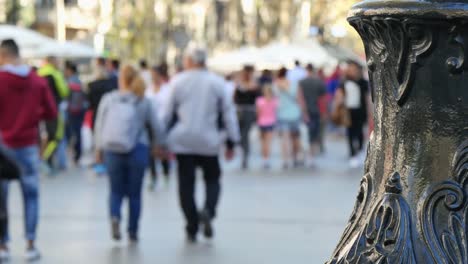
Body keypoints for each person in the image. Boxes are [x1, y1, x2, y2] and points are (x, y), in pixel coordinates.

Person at [165, 46, 240, 242]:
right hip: (209, 141)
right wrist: (232, 141)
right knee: (212, 180)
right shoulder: (217, 83)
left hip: (184, 142)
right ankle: (208, 210)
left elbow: (166, 113)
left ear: (189, 61)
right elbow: (228, 113)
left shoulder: (178, 82)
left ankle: (191, 223)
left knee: (185, 184)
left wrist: (161, 139)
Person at [0, 39, 58, 261]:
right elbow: (52, 112)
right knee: (31, 195)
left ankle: (3, 246)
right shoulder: (37, 81)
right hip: (28, 145)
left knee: (1, 197)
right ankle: (30, 245)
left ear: (3, 55)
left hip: (2, 146)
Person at [95, 65, 166, 242]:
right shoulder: (143, 100)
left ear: (121, 80)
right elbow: (156, 126)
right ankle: (133, 230)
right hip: (138, 148)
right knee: (135, 193)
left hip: (112, 149)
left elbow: (99, 125)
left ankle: (115, 216)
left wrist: (99, 149)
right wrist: (160, 145)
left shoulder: (109, 99)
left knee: (115, 191)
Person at [335, 61, 370, 168]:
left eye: (354, 69)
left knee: (359, 132)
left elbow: (367, 98)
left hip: (360, 110)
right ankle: (352, 154)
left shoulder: (363, 82)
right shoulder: (344, 82)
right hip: (348, 111)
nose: (353, 71)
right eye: (351, 69)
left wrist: (370, 112)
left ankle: (359, 150)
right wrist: (338, 106)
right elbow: (339, 95)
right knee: (350, 133)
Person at [38, 56, 70, 172]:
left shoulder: (38, 73)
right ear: (52, 62)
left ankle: (46, 160)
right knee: (56, 136)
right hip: (54, 111)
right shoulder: (56, 74)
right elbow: (64, 91)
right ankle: (45, 158)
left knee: (44, 136)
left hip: (39, 112)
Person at [145, 64, 172, 190]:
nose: (153, 77)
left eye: (154, 75)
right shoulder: (148, 89)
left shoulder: (167, 89)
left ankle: (166, 173)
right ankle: (153, 177)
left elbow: (169, 108)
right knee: (151, 152)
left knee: (163, 150)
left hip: (164, 124)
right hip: (150, 125)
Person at [298, 64, 327, 167]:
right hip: (316, 111)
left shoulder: (302, 82)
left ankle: (302, 155)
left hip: (305, 112)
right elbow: (323, 99)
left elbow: (300, 98)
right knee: (314, 135)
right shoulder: (319, 82)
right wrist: (324, 113)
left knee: (304, 134)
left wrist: (304, 112)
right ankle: (312, 157)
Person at [274, 67, 303, 169]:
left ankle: (285, 160)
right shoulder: (294, 84)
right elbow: (299, 99)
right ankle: (295, 158)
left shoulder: (276, 84)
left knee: (284, 139)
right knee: (295, 137)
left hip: (282, 114)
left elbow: (273, 99)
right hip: (295, 113)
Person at [233, 65, 260, 169]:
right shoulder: (241, 83)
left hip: (246, 111)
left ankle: (245, 155)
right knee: (242, 134)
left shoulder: (252, 84)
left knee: (244, 133)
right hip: (242, 110)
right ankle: (244, 153)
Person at [65, 62, 87, 165]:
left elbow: (66, 96)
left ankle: (75, 154)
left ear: (70, 70)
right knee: (78, 132)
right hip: (80, 110)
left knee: (72, 133)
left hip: (72, 111)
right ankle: (78, 154)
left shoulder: (69, 82)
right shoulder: (79, 81)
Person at [255, 85, 278, 169]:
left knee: (263, 142)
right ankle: (267, 160)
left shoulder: (259, 101)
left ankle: (264, 160)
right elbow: (276, 111)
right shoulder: (274, 101)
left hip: (262, 122)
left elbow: (258, 113)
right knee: (268, 143)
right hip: (271, 122)